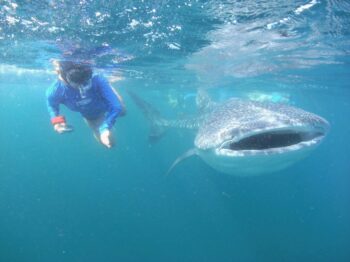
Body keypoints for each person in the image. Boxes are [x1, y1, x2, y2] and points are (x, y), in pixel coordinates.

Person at [46, 60, 125, 148]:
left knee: (122, 111)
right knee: (109, 144)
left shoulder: (97, 80)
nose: (81, 87)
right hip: (90, 113)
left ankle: (108, 89)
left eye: (84, 82)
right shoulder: (55, 90)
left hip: (102, 98)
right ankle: (109, 92)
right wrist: (58, 122)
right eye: (77, 84)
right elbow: (52, 105)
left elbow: (116, 107)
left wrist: (105, 127)